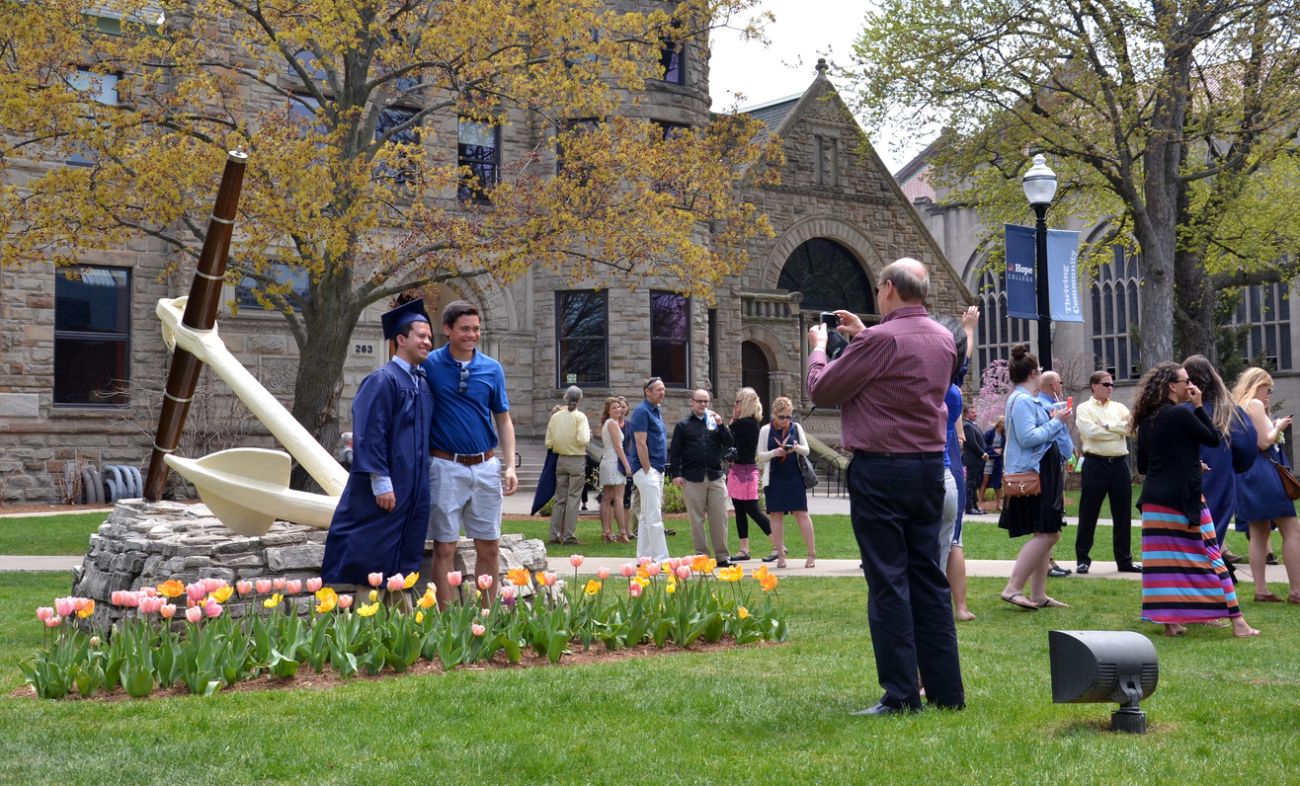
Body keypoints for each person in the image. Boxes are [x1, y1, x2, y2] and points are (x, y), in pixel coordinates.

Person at [807, 256, 964, 715]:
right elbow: (903, 371)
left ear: (890, 289)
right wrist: (862, 335)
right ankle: (946, 692)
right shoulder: (942, 338)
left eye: (878, 287)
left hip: (881, 470)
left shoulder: (879, 340)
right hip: (929, 469)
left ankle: (900, 695)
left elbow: (821, 391)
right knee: (929, 580)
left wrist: (820, 347)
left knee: (888, 581)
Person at [1133, 361, 1258, 637]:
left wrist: (1189, 462)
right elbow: (1213, 438)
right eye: (1185, 381)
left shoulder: (1148, 419)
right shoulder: (1181, 414)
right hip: (1183, 499)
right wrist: (1199, 406)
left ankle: (1170, 622)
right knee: (1211, 553)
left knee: (1162, 563)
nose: (1190, 386)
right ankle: (1239, 623)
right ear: (1171, 386)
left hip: (1154, 502)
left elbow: (1145, 465)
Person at [322, 299, 433, 587]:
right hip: (388, 485)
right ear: (400, 339)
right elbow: (371, 431)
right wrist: (380, 479)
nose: (427, 342)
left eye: (429, 337)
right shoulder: (383, 379)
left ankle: (394, 612)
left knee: (405, 549)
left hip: (413, 485)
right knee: (372, 546)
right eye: (421, 336)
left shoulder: (421, 383)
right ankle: (357, 609)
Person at [423, 300, 518, 608]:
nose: (472, 335)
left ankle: (486, 616)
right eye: (464, 329)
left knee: (489, 547)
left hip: (486, 466)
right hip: (444, 466)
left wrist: (510, 465)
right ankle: (448, 620)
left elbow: (503, 418)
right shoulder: (430, 365)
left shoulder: (492, 368)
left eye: (476, 329)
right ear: (447, 329)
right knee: (444, 549)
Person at [997, 345, 1072, 611]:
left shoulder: (1027, 400)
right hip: (1035, 473)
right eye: (1039, 370)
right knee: (1048, 534)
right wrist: (1058, 421)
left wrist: (1052, 418)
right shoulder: (1024, 401)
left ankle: (1038, 594)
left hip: (1042, 472)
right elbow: (1028, 438)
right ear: (1032, 373)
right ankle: (1013, 588)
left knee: (1046, 531)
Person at [1231, 367, 1300, 604]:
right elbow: (1264, 441)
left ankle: (1261, 589)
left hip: (1246, 472)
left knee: (1258, 532)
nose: (1268, 395)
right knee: (1291, 529)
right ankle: (1297, 590)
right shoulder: (1254, 404)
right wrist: (1278, 426)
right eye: (1267, 389)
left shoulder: (1237, 405)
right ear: (1257, 385)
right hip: (1264, 471)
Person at [1182, 355, 1256, 553]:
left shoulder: (1179, 412)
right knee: (1212, 536)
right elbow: (1246, 448)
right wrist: (1234, 467)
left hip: (1184, 479)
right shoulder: (1229, 412)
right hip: (1220, 477)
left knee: (1186, 540)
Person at [1074, 370, 1140, 574]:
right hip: (1095, 464)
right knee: (1089, 512)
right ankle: (1082, 559)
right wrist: (1117, 430)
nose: (1110, 388)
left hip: (1119, 464)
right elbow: (1090, 432)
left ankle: (1124, 560)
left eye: (1112, 384)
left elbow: (1132, 430)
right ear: (1094, 386)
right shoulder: (1084, 408)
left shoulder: (1119, 407)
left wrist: (1109, 425)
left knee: (1122, 514)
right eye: (1105, 384)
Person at [670, 389, 735, 565]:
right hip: (692, 478)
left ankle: (722, 557)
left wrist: (721, 424)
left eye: (706, 401)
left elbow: (729, 443)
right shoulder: (683, 425)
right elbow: (675, 453)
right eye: (699, 401)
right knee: (696, 520)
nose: (703, 404)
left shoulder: (714, 423)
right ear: (692, 402)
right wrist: (676, 474)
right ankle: (702, 556)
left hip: (715, 476)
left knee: (720, 518)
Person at [756, 397, 815, 569]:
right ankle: (780, 555)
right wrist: (775, 452)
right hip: (774, 477)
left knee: (801, 513)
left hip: (793, 476)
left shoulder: (796, 427)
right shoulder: (766, 430)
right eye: (782, 417)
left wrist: (795, 447)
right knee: (776, 515)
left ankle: (811, 553)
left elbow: (807, 450)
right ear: (774, 415)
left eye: (788, 417)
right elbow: (760, 455)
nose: (785, 420)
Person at [1036, 370, 1075, 579]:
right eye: (1060, 382)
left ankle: (1048, 562)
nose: (1061, 386)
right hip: (1050, 467)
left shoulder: (1049, 406)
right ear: (1053, 386)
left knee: (1051, 518)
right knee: (1050, 517)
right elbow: (1054, 435)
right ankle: (1046, 563)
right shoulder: (1048, 407)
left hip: (1054, 464)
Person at [728, 387, 773, 562]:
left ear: (744, 403)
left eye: (738, 401)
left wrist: (733, 416)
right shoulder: (746, 422)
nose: (735, 404)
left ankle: (778, 545)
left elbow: (726, 433)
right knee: (739, 510)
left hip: (745, 472)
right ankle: (743, 549)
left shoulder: (746, 423)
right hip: (737, 470)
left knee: (752, 509)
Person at [628, 376, 670, 562]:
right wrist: (648, 470)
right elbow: (640, 443)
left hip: (657, 469)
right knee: (654, 515)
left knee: (646, 516)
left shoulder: (656, 410)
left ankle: (643, 558)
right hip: (647, 470)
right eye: (658, 389)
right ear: (647, 392)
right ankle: (662, 559)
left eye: (663, 389)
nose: (663, 392)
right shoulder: (641, 412)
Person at [545, 386, 590, 545]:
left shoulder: (556, 417)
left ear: (565, 398)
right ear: (580, 398)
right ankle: (569, 535)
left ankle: (553, 534)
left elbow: (548, 442)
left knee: (560, 499)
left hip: (560, 459)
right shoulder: (580, 417)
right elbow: (583, 439)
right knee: (573, 499)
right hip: (576, 459)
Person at [598, 396, 633, 543]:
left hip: (607, 461)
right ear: (608, 410)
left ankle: (607, 532)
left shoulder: (607, 423)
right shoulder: (612, 423)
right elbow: (618, 446)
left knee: (607, 498)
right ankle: (622, 532)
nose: (618, 409)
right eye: (614, 407)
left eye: (619, 407)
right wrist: (627, 465)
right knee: (618, 497)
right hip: (614, 462)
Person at [961, 407, 987, 516]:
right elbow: (972, 443)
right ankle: (969, 507)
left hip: (977, 460)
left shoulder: (972, 425)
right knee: (970, 484)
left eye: (975, 412)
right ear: (966, 414)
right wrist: (982, 453)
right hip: (973, 460)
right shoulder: (967, 425)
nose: (975, 414)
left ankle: (975, 507)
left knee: (974, 484)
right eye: (973, 412)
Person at [981, 418, 1005, 511]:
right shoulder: (990, 433)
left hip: (999, 460)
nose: (1004, 424)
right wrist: (993, 449)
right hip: (990, 459)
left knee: (998, 481)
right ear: (998, 423)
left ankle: (998, 504)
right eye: (1003, 422)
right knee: (985, 480)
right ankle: (980, 503)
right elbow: (983, 444)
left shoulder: (1004, 435)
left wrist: (1002, 450)